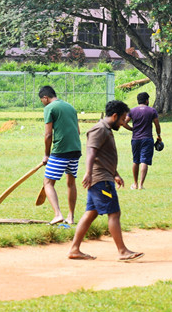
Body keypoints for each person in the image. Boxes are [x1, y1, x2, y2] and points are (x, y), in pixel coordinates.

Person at [68, 100, 143, 261]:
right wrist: (88, 173)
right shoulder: (99, 129)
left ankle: (74, 249)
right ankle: (122, 251)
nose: (123, 123)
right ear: (114, 116)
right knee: (114, 213)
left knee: (91, 213)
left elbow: (103, 156)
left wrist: (115, 173)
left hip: (104, 176)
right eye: (123, 119)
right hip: (101, 180)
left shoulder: (106, 129)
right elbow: (91, 152)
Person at [39, 85, 81, 225]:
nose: (42, 103)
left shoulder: (49, 108)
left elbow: (48, 134)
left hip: (61, 150)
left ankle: (58, 214)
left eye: (42, 100)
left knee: (48, 183)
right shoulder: (70, 107)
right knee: (71, 183)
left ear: (45, 98)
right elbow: (78, 131)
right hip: (75, 149)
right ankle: (71, 217)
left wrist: (46, 155)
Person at [127, 92, 162, 190]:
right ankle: (141, 185)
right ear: (147, 100)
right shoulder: (152, 110)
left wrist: (132, 129)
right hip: (147, 138)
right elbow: (157, 125)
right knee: (144, 161)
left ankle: (135, 183)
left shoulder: (132, 111)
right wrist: (158, 135)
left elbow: (124, 123)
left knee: (136, 161)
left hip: (135, 139)